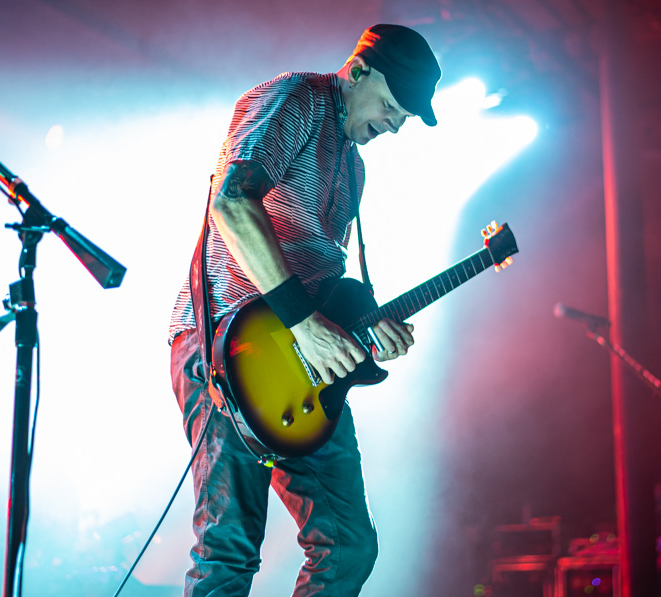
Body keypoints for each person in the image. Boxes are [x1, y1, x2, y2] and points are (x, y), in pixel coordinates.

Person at [167, 24, 442, 597]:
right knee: (229, 548)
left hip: (306, 366)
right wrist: (303, 323)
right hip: (229, 344)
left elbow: (326, 286)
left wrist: (368, 334)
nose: (395, 124)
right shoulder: (297, 98)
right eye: (392, 106)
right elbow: (231, 202)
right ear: (359, 72)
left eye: (405, 118)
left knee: (349, 546)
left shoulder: (355, 169)